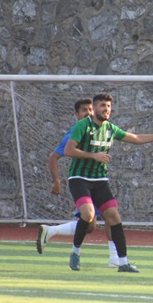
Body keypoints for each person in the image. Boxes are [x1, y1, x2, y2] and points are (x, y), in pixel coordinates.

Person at [63, 93, 153, 273]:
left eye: (109, 107)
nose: (106, 109)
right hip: (79, 178)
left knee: (114, 216)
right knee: (88, 215)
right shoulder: (82, 125)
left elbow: (135, 138)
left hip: (100, 180)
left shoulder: (110, 128)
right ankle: (75, 252)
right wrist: (93, 155)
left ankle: (123, 262)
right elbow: (68, 150)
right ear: (95, 108)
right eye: (103, 106)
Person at [38, 98, 118, 268]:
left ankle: (51, 231)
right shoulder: (76, 132)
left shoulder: (99, 129)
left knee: (91, 226)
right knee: (104, 218)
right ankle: (114, 259)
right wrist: (56, 181)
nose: (88, 113)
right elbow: (54, 157)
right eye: (84, 110)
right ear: (76, 114)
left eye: (90, 109)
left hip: (98, 181)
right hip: (83, 181)